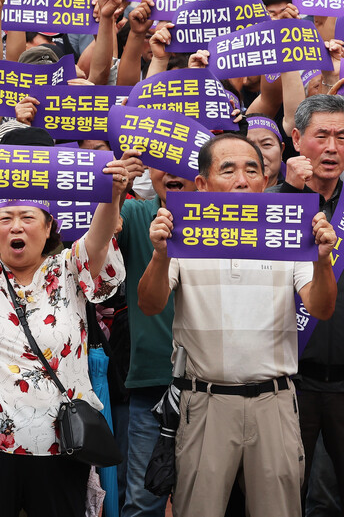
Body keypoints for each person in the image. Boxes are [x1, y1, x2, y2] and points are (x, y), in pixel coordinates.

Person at [138, 133, 338, 517]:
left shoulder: (288, 231)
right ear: (202, 183)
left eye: (252, 170)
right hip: (205, 403)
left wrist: (323, 260)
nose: (242, 180)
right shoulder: (182, 233)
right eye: (227, 169)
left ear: (265, 181)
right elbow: (150, 304)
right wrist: (161, 256)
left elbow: (320, 307)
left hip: (275, 402)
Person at [0, 149, 130, 517]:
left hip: (62, 442)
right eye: (5, 219)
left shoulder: (68, 268)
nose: (16, 226)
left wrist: (113, 193)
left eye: (28, 217)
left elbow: (99, 239)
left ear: (50, 227)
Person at [271, 94, 344, 510]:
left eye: (341, 137)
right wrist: (289, 191)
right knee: (283, 497)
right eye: (322, 136)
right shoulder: (271, 204)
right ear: (297, 139)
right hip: (289, 383)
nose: (332, 147)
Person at [118, 165, 196, 517]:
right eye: (162, 161)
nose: (173, 171)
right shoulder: (135, 213)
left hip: (214, 390)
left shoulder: (229, 223)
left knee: (204, 503)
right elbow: (95, 233)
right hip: (152, 387)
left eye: (185, 161)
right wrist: (116, 187)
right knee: (142, 502)